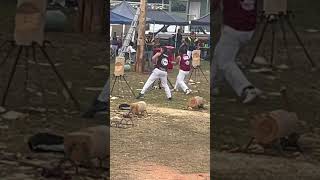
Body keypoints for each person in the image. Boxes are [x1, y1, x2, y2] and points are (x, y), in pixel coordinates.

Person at [212, 0, 262, 104]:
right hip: (249, 28)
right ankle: (213, 85)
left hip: (233, 28)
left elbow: (214, 5)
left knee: (225, 62)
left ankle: (247, 89)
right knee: (219, 53)